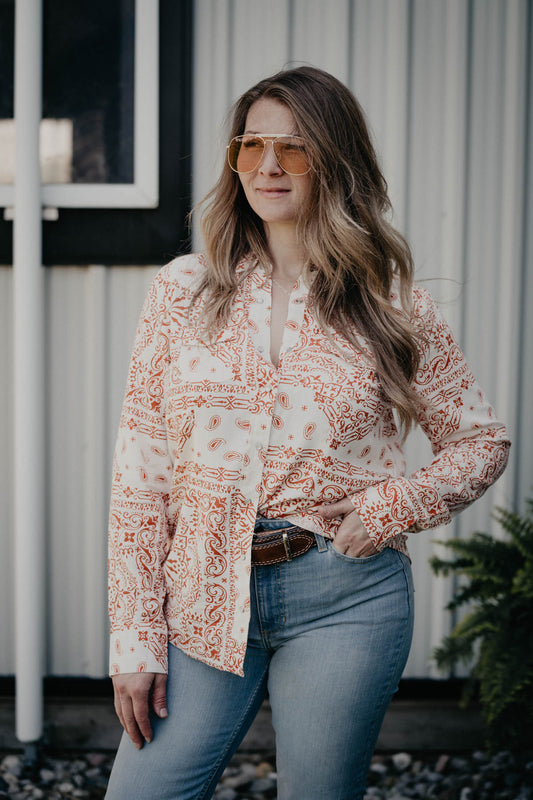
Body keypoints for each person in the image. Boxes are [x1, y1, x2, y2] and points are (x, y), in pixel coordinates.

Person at [104, 66, 510, 800]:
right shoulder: (180, 290)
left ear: (335, 160)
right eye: (250, 145)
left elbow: (480, 441)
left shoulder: (389, 304)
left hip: (345, 598)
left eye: (293, 149)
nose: (267, 166)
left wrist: (389, 509)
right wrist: (133, 638)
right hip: (199, 593)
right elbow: (141, 473)